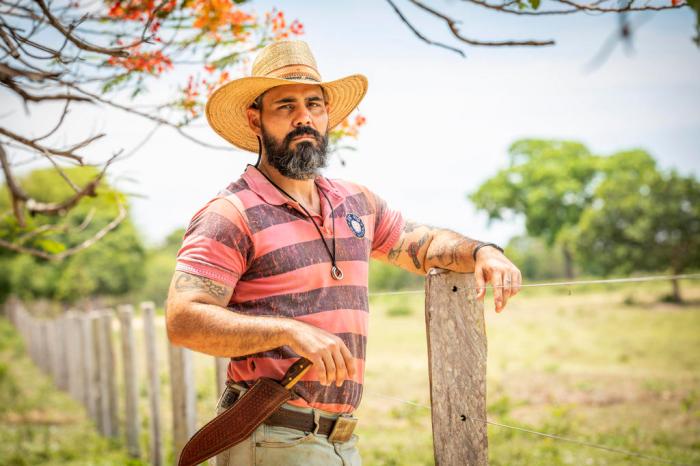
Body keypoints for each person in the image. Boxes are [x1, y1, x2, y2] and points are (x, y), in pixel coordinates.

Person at [165, 40, 521, 466]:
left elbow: (422, 246)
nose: (304, 117)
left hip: (342, 440)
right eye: (286, 106)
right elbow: (182, 320)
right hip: (272, 435)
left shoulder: (356, 203)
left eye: (314, 104)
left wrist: (483, 251)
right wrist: (287, 331)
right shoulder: (231, 213)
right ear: (254, 118)